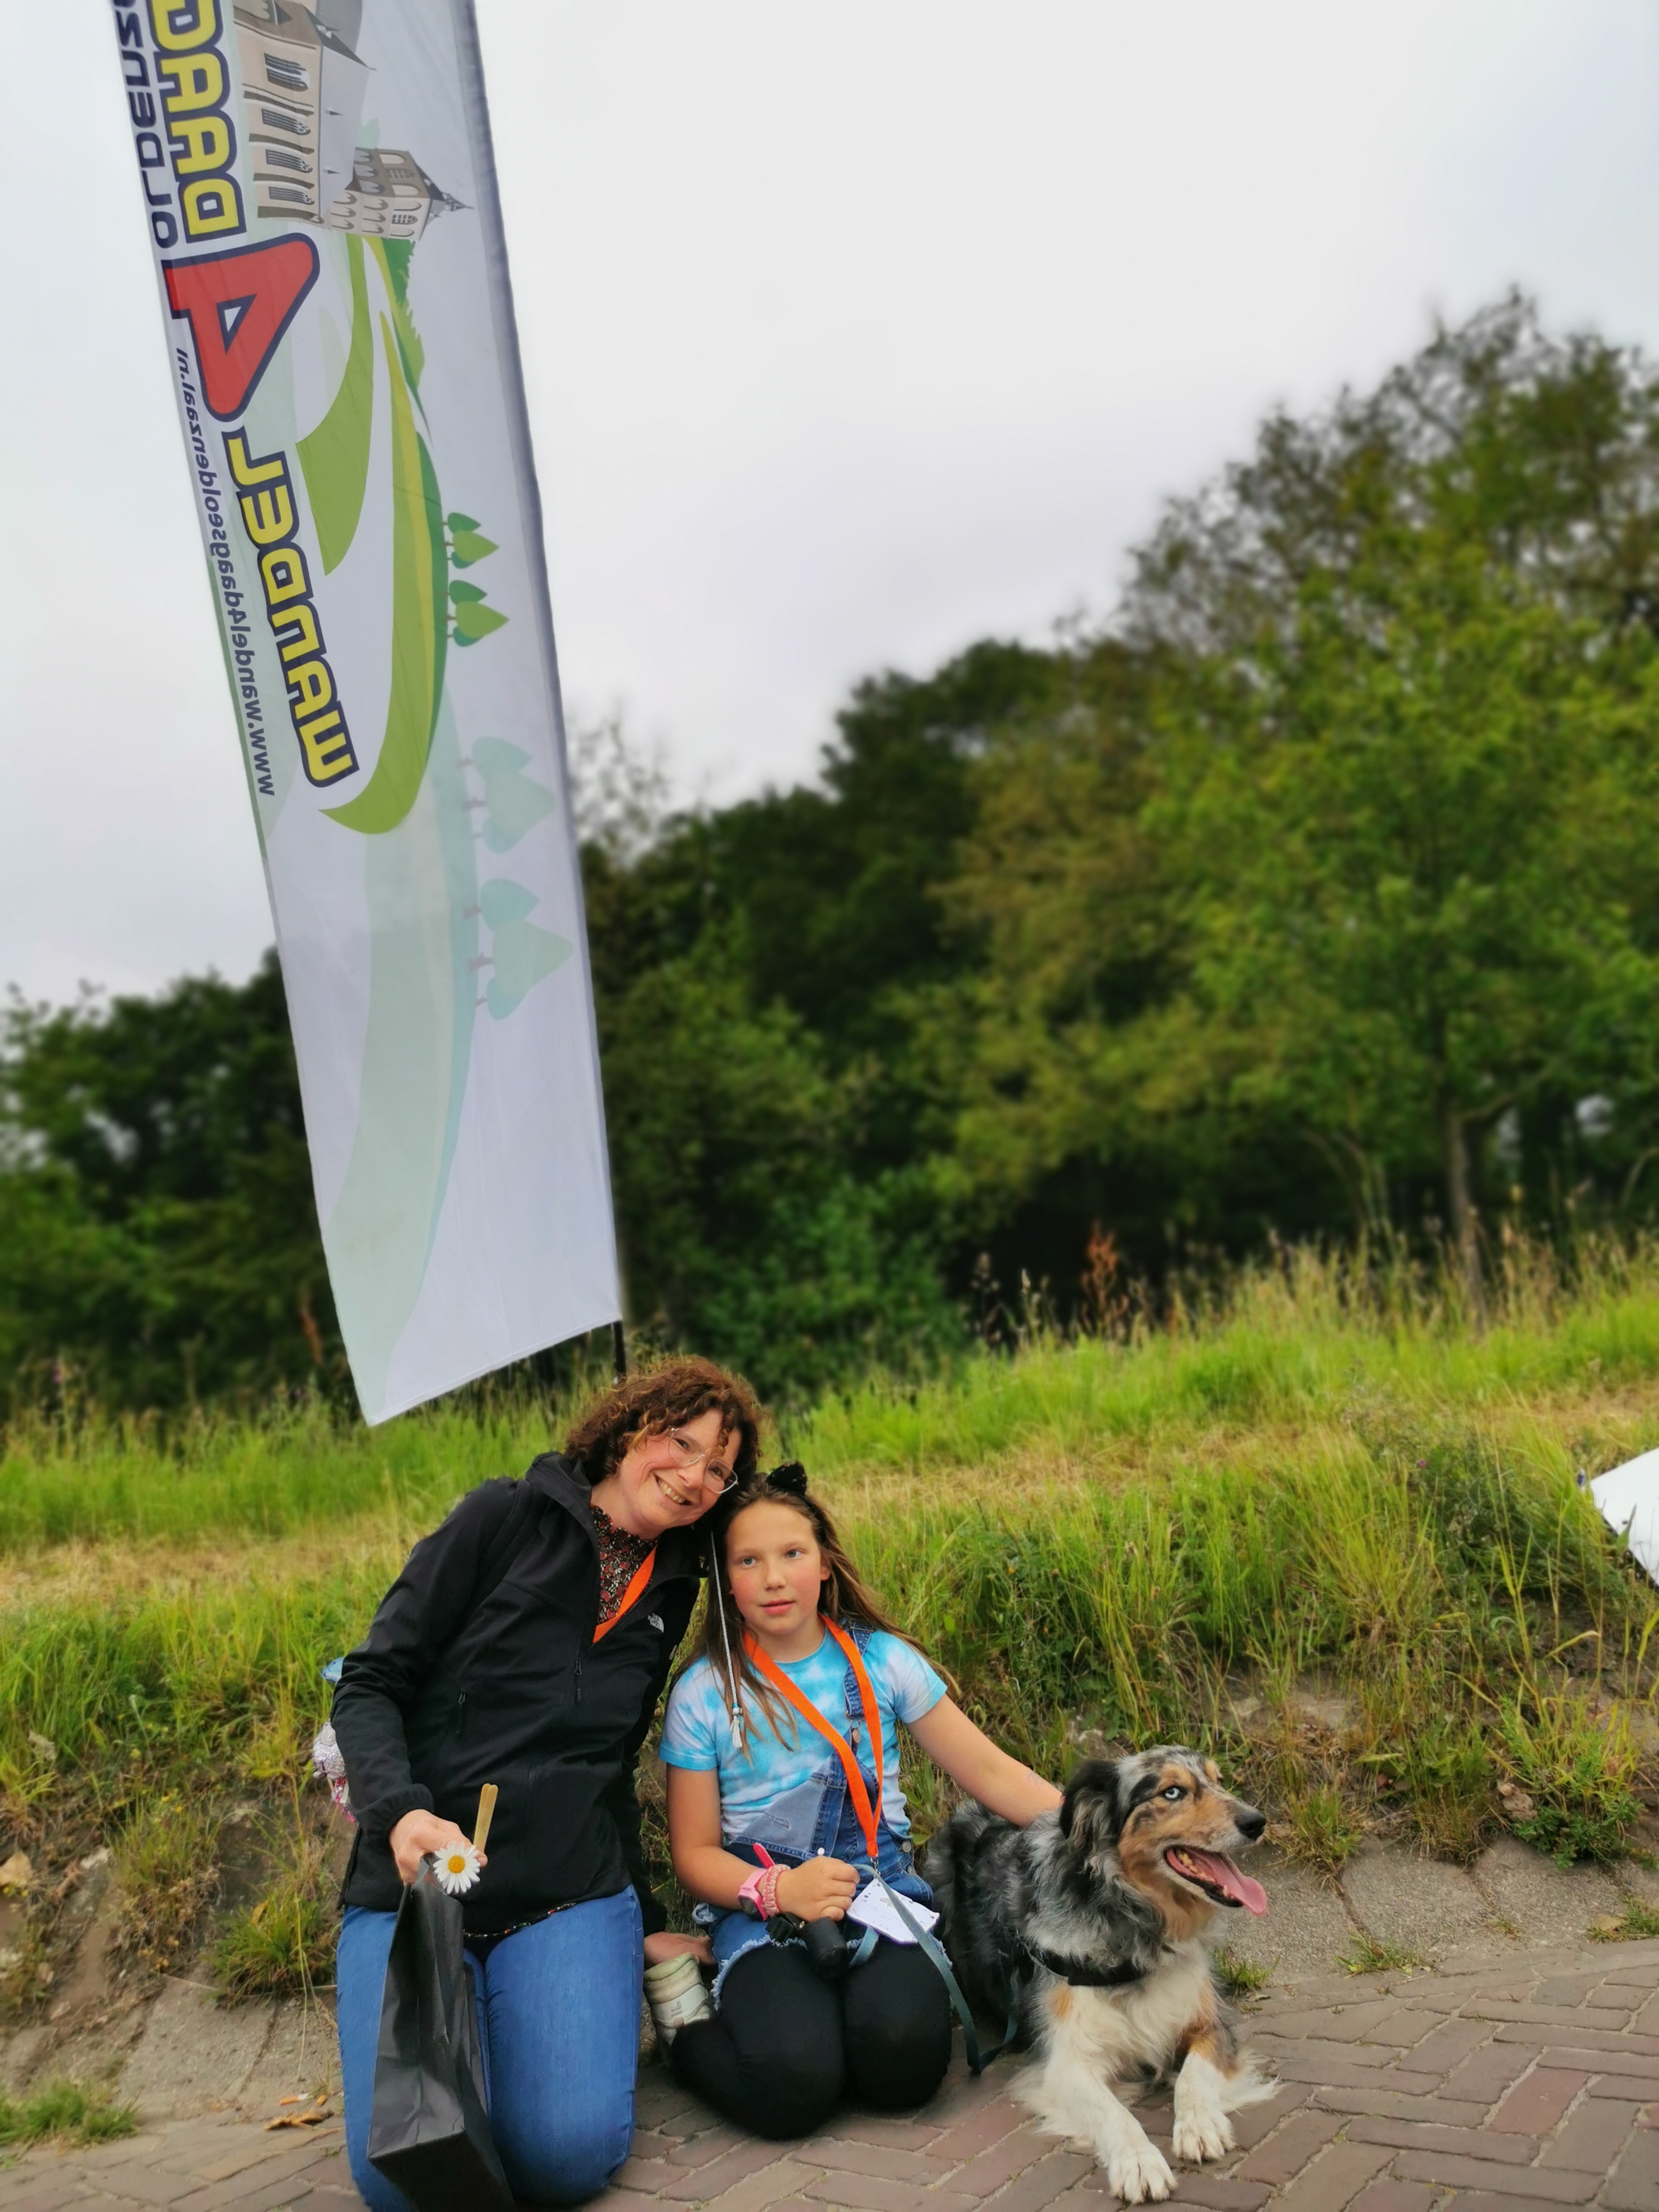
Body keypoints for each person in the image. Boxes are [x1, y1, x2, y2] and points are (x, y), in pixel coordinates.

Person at [329, 1358, 762, 2209]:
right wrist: (401, 1813)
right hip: (420, 1886)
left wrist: (644, 1923)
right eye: (681, 1443)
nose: (694, 1477)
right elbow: (370, 1682)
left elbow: (612, 1762)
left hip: (567, 1894)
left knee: (563, 2159)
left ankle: (540, 2016)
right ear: (630, 1430)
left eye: (719, 1468)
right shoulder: (503, 1517)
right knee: (406, 2176)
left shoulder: (674, 1582)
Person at [662, 1463, 1061, 2137]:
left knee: (904, 2066)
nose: (774, 1577)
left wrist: (1096, 1829)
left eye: (792, 1553)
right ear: (726, 1580)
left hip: (878, 1890)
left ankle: (826, 2026)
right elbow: (695, 1854)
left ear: (824, 1563)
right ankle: (685, 2026)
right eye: (749, 1561)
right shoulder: (704, 1693)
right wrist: (780, 1891)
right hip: (763, 1908)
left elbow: (994, 1773)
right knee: (791, 2088)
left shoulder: (882, 1660)